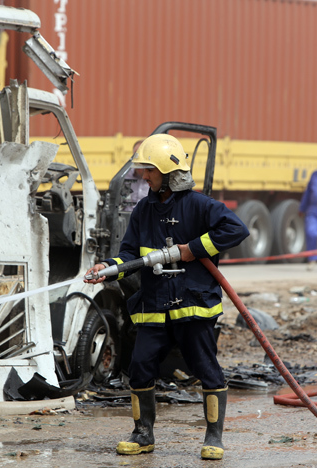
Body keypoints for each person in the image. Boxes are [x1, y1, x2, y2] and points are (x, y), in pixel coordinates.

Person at [84, 134, 249, 460]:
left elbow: (237, 230)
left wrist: (193, 249)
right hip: (155, 309)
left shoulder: (200, 206)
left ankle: (214, 437)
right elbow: (128, 255)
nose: (144, 176)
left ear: (168, 172)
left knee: (206, 369)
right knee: (140, 367)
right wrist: (107, 268)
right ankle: (142, 433)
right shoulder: (143, 211)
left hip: (193, 307)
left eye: (149, 170)